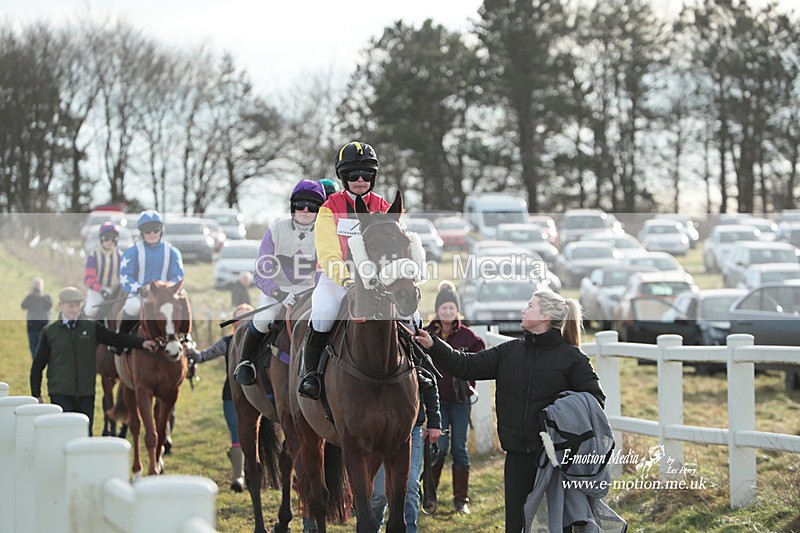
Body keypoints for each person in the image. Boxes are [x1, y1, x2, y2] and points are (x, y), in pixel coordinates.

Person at [413, 289, 605, 533]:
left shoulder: (572, 358)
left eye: (530, 306)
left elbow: (594, 400)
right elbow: (466, 366)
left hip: (554, 462)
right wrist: (434, 345)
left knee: (557, 526)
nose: (523, 310)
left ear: (545, 316)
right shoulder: (510, 351)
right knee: (515, 526)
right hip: (516, 456)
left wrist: (556, 416)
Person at [299, 141, 392, 400]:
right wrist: (349, 281)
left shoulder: (383, 207)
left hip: (379, 281)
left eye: (366, 175)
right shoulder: (329, 209)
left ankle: (420, 371)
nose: (361, 180)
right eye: (353, 175)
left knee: (412, 316)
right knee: (324, 313)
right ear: (343, 177)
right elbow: (329, 256)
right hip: (337, 280)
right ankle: (311, 375)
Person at [233, 179, 326, 385]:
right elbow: (260, 274)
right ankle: (245, 362)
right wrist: (279, 294)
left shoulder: (324, 234)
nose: (305, 210)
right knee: (263, 319)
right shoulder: (275, 230)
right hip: (278, 290)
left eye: (312, 206)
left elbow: (322, 271)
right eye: (300, 205)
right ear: (292, 207)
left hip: (310, 291)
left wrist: (314, 292)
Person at [29, 287, 158, 435]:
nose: (75, 310)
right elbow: (37, 365)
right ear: (61, 306)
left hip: (86, 395)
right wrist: (36, 394)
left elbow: (116, 338)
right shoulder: (49, 332)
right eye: (71, 306)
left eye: (78, 306)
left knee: (84, 437)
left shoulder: (91, 328)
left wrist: (141, 343)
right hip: (60, 395)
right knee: (64, 436)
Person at [423, 280, 485, 514]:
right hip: (435, 403)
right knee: (438, 448)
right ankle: (430, 497)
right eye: (443, 308)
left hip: (460, 402)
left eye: (451, 308)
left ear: (456, 310)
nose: (447, 312)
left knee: (459, 448)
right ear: (437, 310)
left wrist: (468, 377)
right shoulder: (427, 333)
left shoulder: (468, 337)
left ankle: (461, 501)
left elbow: (479, 359)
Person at [186, 303, 253, 492]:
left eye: (246, 318)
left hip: (258, 397)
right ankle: (239, 476)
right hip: (232, 396)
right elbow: (202, 357)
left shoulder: (262, 342)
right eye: (238, 319)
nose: (241, 322)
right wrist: (189, 351)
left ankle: (255, 473)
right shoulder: (227, 342)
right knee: (236, 433)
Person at [371, 378, 443, 533]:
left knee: (410, 488)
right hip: (379, 431)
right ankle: (373, 527)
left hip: (411, 429)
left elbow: (431, 386)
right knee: (379, 495)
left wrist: (434, 422)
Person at [117, 210, 184, 338]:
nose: (152, 233)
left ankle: (186, 339)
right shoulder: (132, 252)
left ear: (161, 230)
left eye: (155, 229)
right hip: (142, 293)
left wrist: (168, 288)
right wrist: (138, 288)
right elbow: (125, 277)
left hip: (167, 294)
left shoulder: (172, 252)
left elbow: (178, 276)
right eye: (147, 230)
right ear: (141, 232)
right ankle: (122, 339)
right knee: (132, 306)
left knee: (183, 303)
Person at [83, 222, 123, 322]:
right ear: (101, 238)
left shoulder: (120, 256)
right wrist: (101, 290)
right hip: (97, 291)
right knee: (90, 310)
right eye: (107, 238)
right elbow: (88, 279)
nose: (110, 241)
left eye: (113, 238)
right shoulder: (93, 256)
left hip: (115, 291)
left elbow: (123, 275)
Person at [21, 277, 52, 358]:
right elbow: (23, 306)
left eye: (39, 285)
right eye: (35, 285)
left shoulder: (46, 297)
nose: (37, 287)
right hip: (32, 326)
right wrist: (31, 294)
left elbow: (49, 305)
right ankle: (36, 366)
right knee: (33, 348)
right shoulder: (30, 297)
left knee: (43, 348)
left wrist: (40, 296)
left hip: (43, 326)